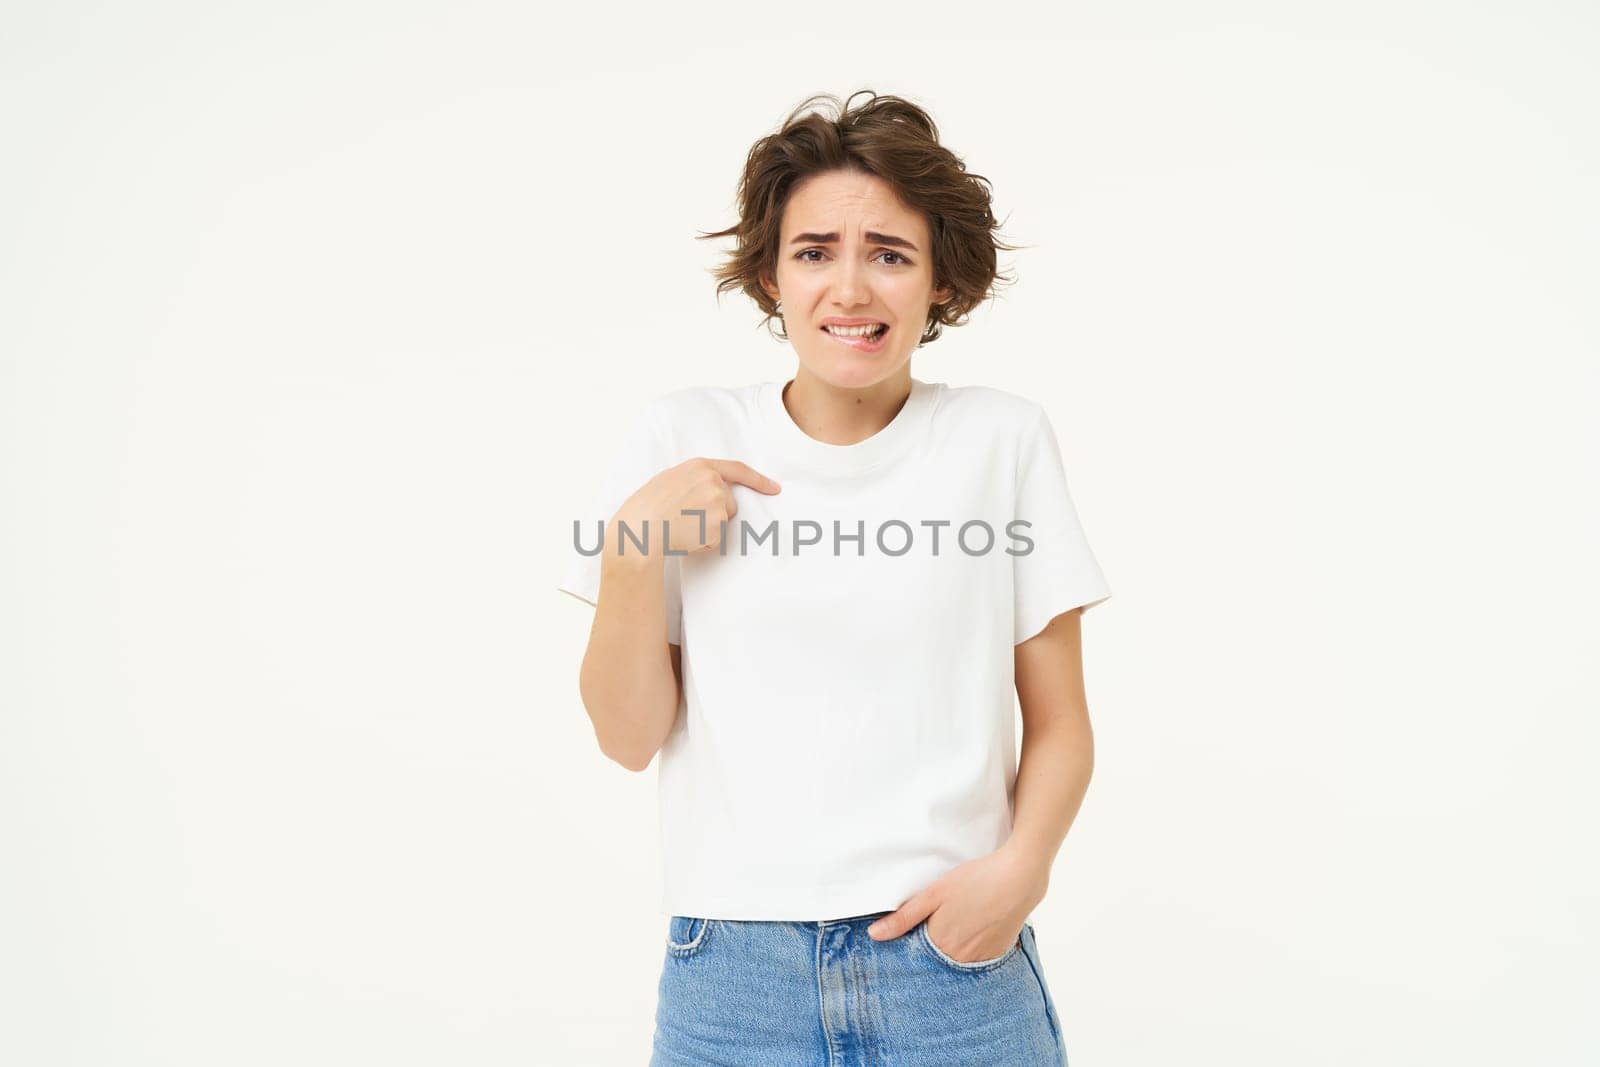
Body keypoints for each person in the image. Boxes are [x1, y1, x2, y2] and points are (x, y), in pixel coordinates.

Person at [557, 89, 1110, 1066]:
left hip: (950, 971)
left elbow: (1060, 720)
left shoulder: (999, 440)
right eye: (814, 251)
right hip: (733, 975)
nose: (850, 289)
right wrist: (632, 550)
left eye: (888, 254)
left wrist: (1017, 874)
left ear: (940, 281)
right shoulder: (682, 439)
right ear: (769, 275)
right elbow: (627, 734)